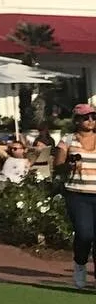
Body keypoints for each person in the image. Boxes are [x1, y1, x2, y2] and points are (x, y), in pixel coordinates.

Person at [54, 103, 96, 290]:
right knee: (85, 234)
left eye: (93, 117)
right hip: (78, 195)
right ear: (77, 120)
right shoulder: (68, 140)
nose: (90, 121)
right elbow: (57, 165)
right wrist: (69, 164)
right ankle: (80, 264)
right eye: (86, 117)